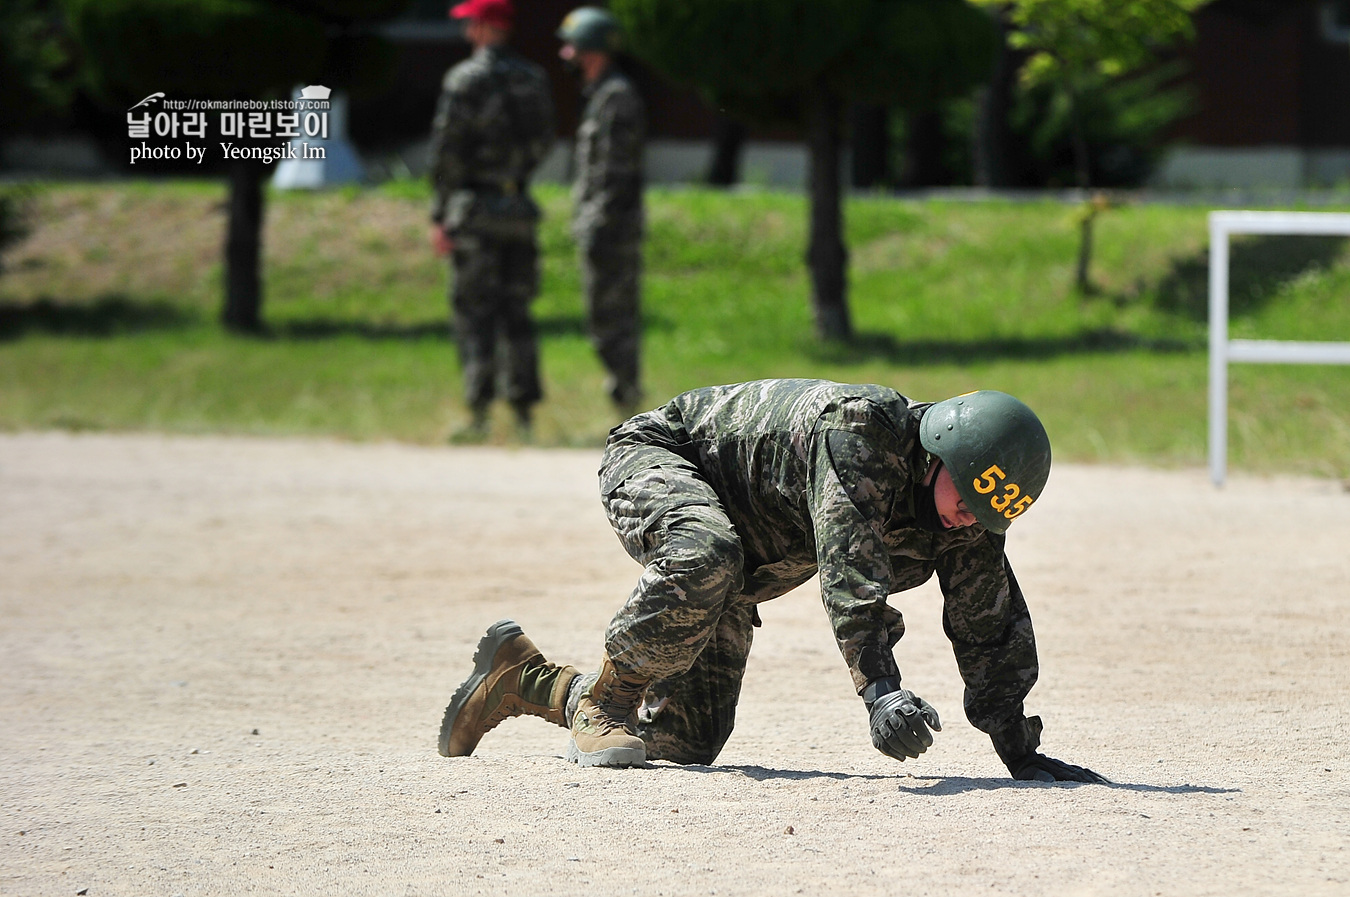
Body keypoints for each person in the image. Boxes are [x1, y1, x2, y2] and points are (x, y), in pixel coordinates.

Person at [438, 379, 1109, 783]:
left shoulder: (971, 510)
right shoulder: (862, 433)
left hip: (742, 555)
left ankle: (520, 678)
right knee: (705, 552)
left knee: (686, 740)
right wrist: (881, 693)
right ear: (940, 454)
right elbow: (853, 575)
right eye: (966, 496)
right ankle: (605, 701)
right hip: (661, 461)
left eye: (986, 512)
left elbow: (985, 617)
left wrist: (1018, 745)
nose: (968, 518)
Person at [428, 0, 555, 439]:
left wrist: (440, 211)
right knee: (517, 312)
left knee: (475, 313)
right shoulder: (534, 78)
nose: (466, 33)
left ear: (484, 27)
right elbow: (544, 142)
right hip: (518, 208)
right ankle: (524, 418)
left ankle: (479, 414)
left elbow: (447, 149)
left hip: (475, 211)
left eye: (469, 24)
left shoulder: (465, 79)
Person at [556, 7, 646, 413]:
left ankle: (628, 402)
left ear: (591, 51)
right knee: (603, 319)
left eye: (571, 46)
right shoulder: (601, 96)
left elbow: (615, 172)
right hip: (603, 225)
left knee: (613, 319)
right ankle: (624, 397)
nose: (565, 54)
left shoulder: (617, 98)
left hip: (612, 229)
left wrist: (596, 223)